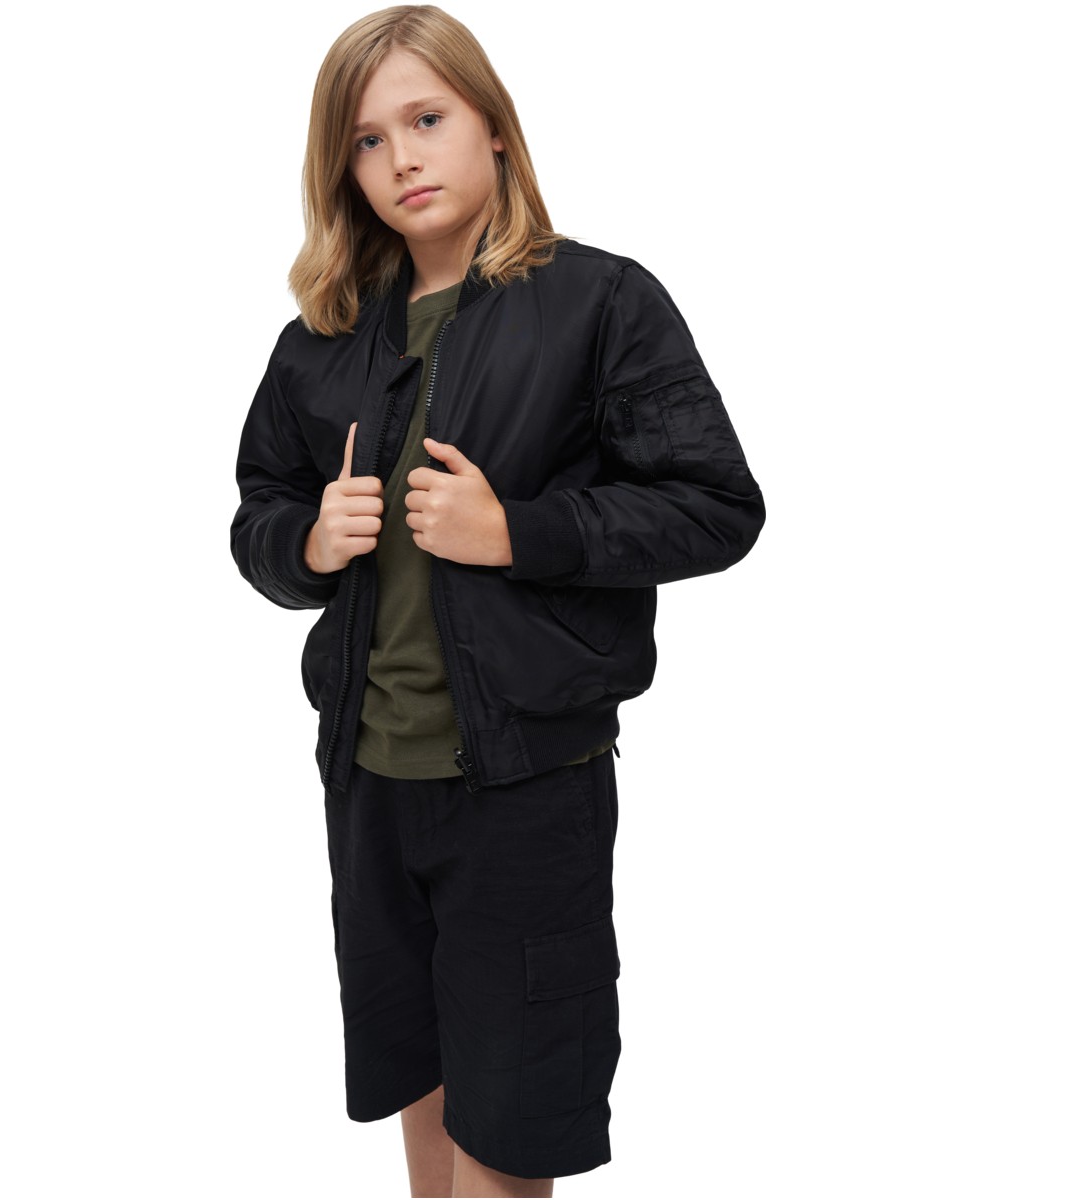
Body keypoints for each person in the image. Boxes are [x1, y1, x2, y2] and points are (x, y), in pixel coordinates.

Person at [229, 6, 765, 1195]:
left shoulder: (600, 301)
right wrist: (306, 542)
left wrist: (516, 531)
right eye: (367, 141)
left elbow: (717, 507)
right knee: (421, 1095)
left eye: (427, 119)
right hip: (369, 782)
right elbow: (258, 512)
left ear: (495, 129)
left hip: (526, 793)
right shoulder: (321, 339)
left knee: (511, 1133)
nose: (402, 159)